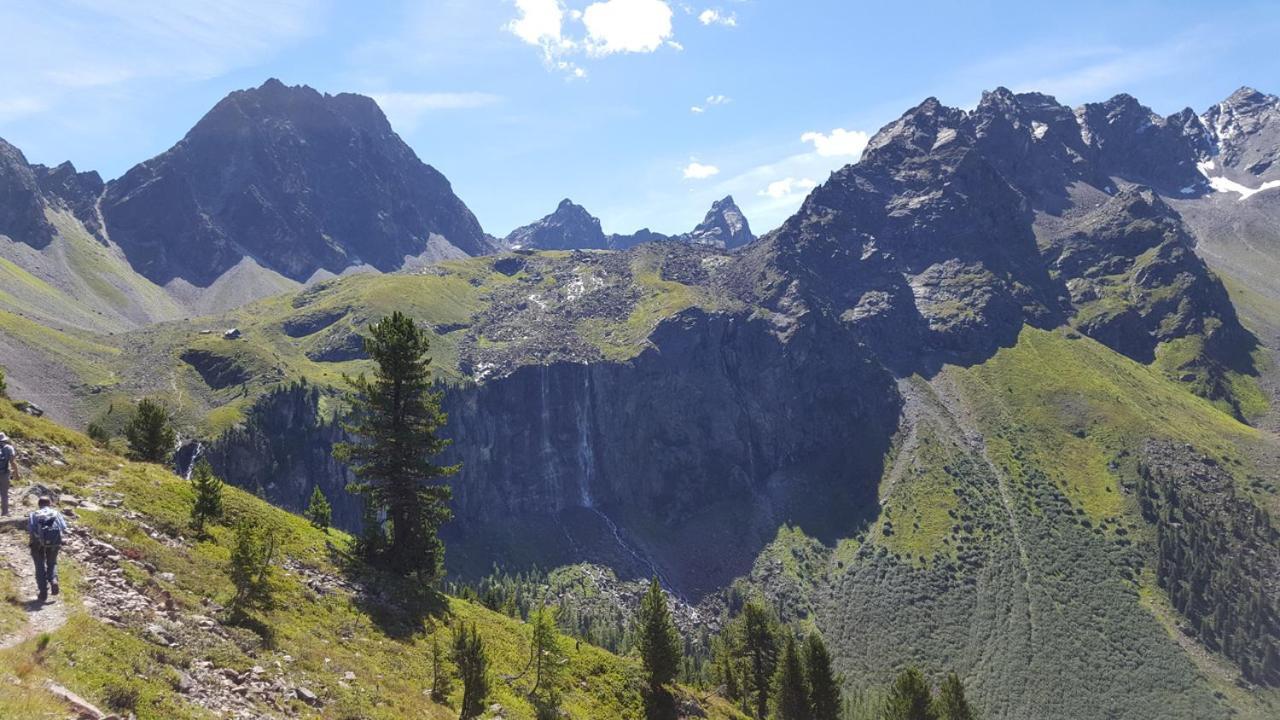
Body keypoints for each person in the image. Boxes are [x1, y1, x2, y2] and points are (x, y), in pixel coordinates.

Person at [28, 496, 67, 603]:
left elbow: (31, 529)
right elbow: (63, 527)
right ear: (50, 504)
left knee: (39, 566)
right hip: (54, 542)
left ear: (39, 504)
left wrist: (33, 541)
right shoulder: (56, 513)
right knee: (52, 562)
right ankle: (53, 580)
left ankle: (43, 593)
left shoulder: (33, 514)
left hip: (37, 543)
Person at [0, 432, 17, 516]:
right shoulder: (9, 448)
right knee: (4, 493)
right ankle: (5, 512)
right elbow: (12, 462)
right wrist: (16, 473)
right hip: (4, 473)